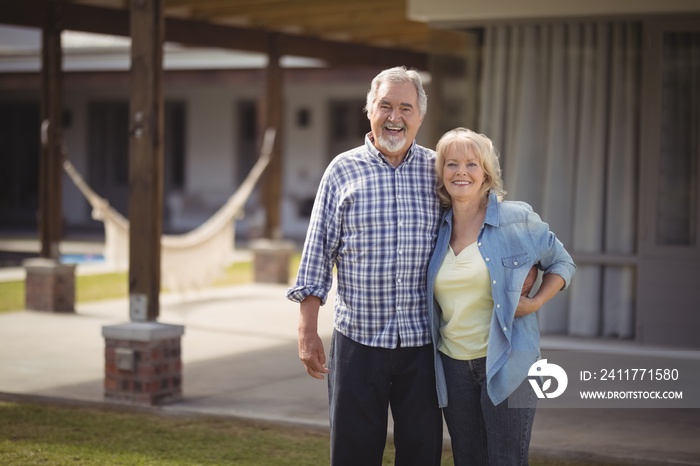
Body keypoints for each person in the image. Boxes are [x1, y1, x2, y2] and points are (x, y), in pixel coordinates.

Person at [286, 66, 444, 466]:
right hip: (358, 341)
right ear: (369, 110)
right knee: (353, 453)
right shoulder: (342, 170)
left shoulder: (439, 172)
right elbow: (317, 252)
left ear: (420, 116)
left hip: (423, 343)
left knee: (422, 454)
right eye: (385, 106)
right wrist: (307, 330)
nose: (395, 117)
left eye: (406, 108)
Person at [427, 128, 576, 466]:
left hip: (508, 361)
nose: (461, 172)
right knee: (469, 459)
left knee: (506, 460)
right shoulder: (436, 228)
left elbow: (562, 262)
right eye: (451, 164)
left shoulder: (516, 219)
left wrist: (536, 302)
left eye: (471, 164)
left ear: (486, 173)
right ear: (442, 173)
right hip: (453, 365)